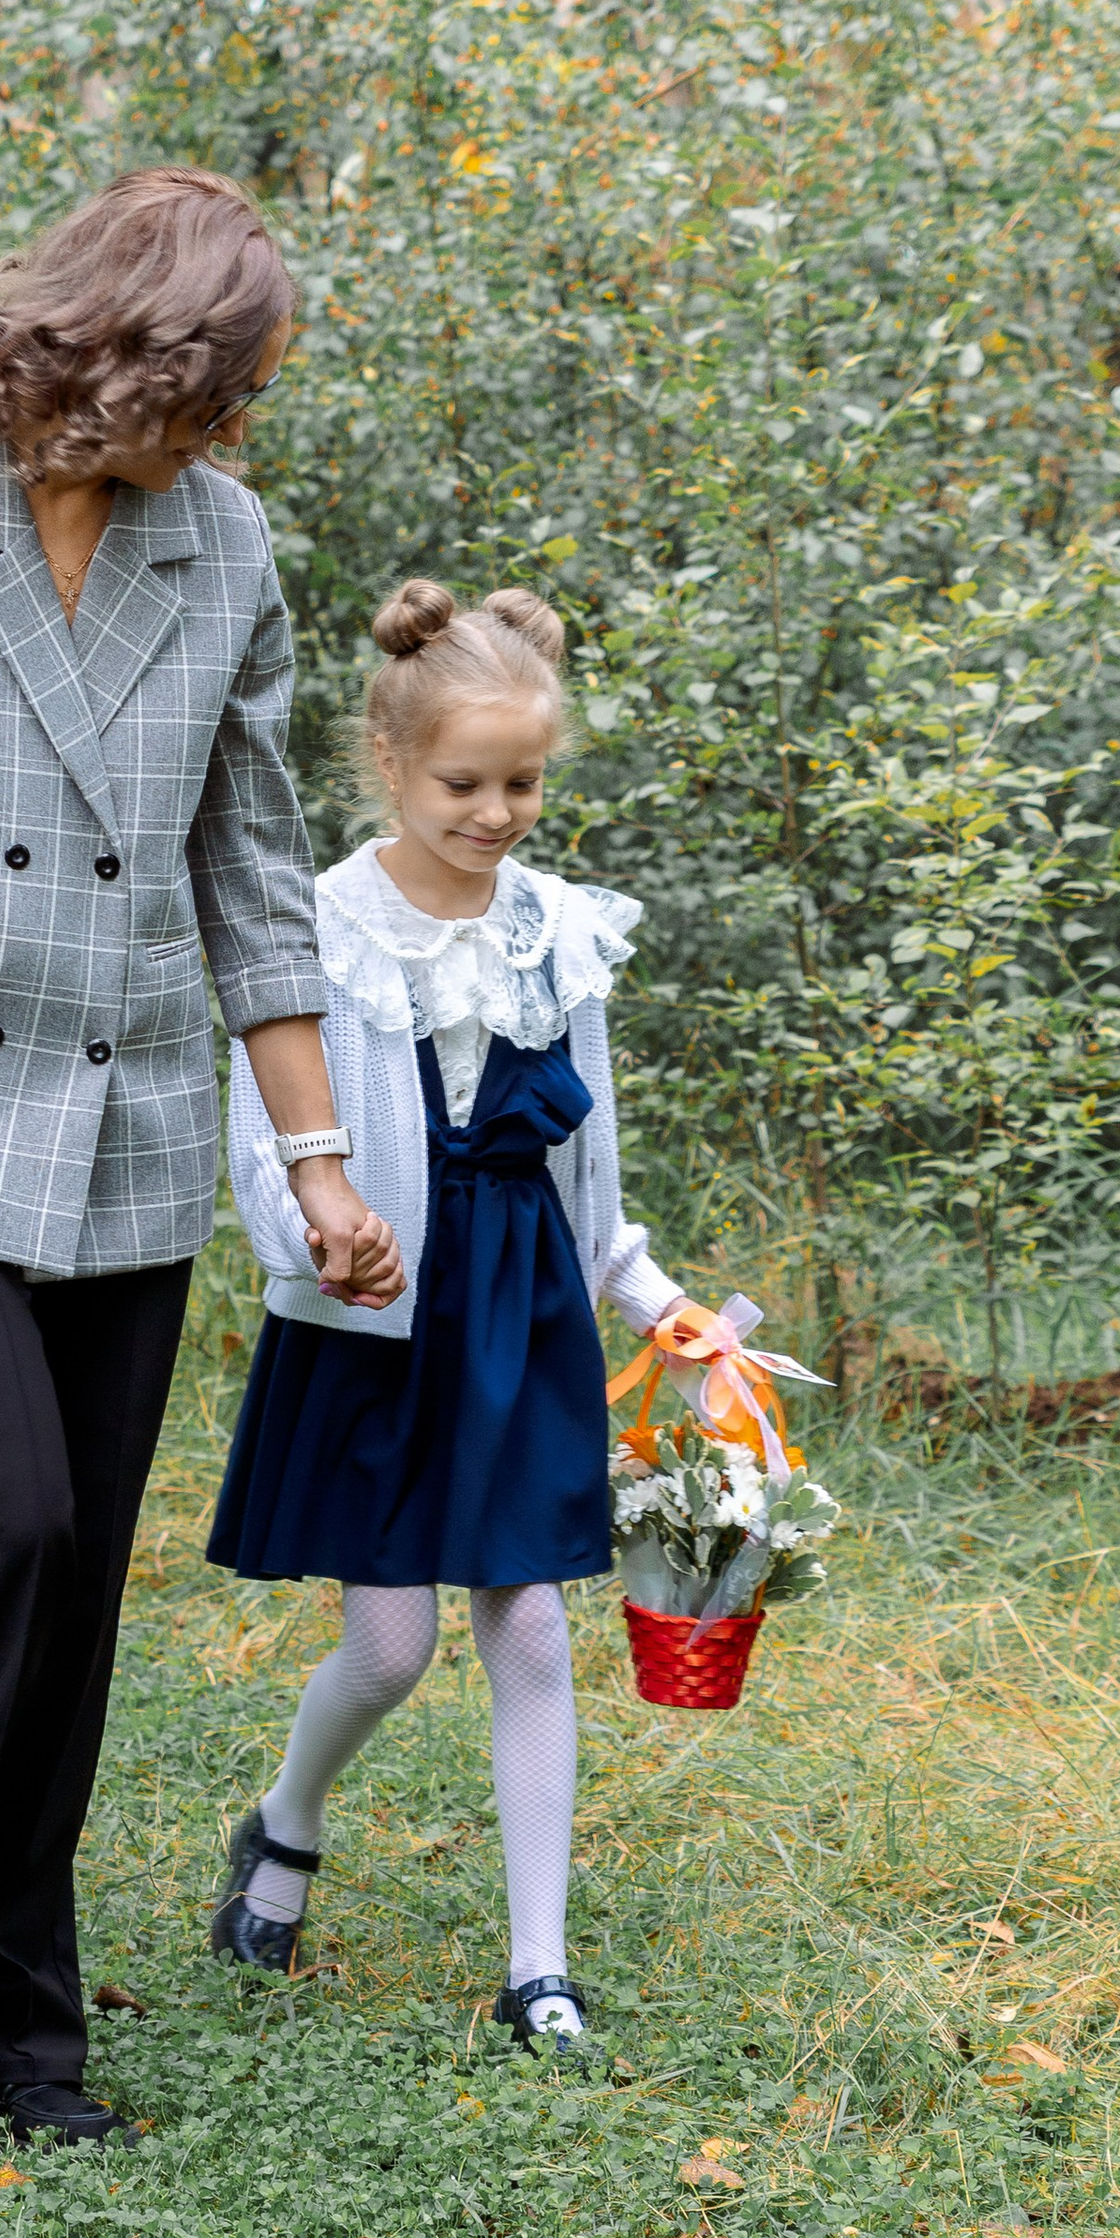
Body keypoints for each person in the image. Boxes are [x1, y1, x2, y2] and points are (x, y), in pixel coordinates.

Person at [0, 167, 403, 2144]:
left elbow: (250, 871)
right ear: (129, 355)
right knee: (0, 1519)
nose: (232, 431)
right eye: (218, 387)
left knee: (79, 1575)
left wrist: (316, 1158)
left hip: (122, 1129)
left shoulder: (224, 543)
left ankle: (21, 2032)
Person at [205, 578, 717, 2049]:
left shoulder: (561, 933)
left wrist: (656, 1299)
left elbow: (588, 1159)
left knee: (534, 1632)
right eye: (464, 783)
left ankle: (537, 1966)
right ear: (389, 764)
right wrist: (315, 1242)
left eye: (524, 784)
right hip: (375, 1305)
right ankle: (285, 1828)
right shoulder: (321, 924)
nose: (496, 813)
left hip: (518, 1314)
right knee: (386, 1650)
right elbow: (265, 1132)